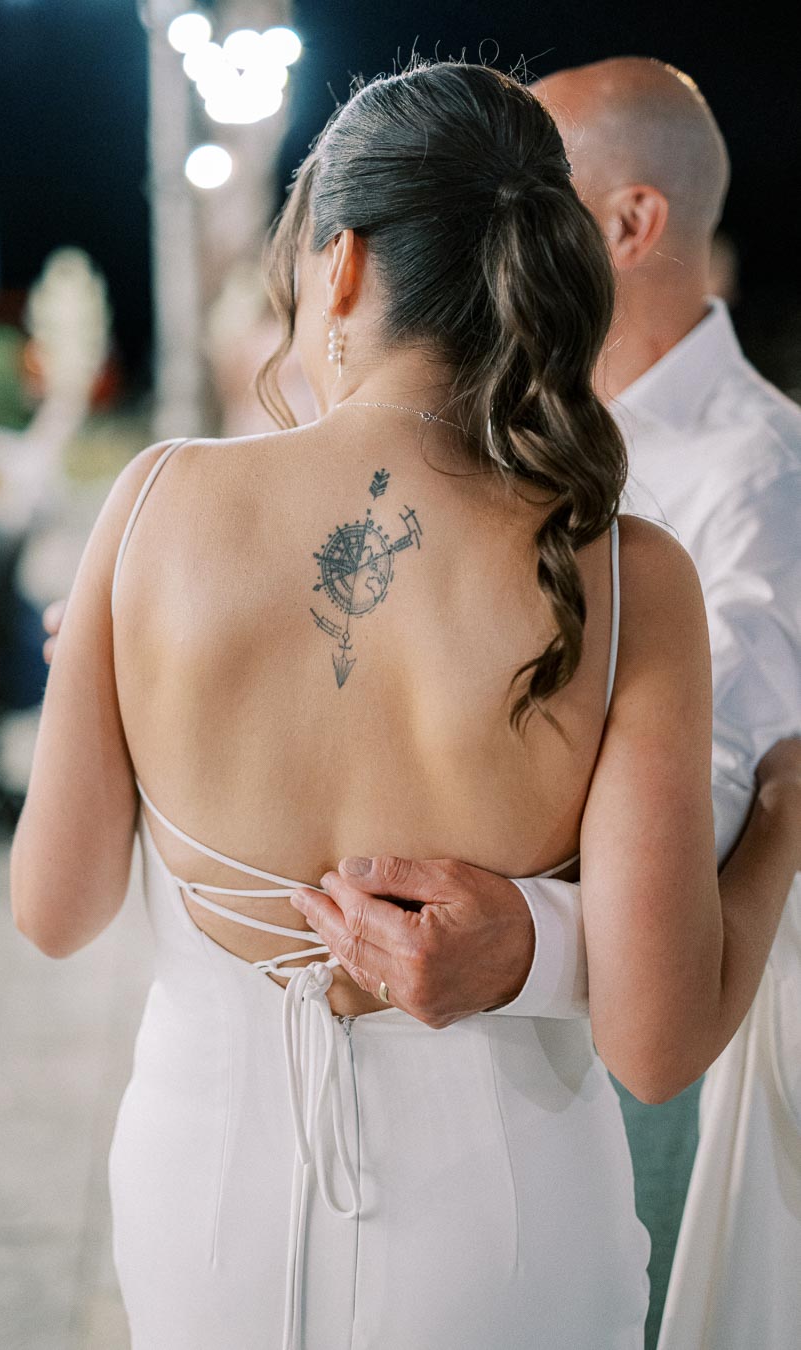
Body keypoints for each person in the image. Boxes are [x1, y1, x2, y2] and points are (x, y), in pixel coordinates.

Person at [12, 61, 801, 1350]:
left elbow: (57, 911)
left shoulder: (153, 504)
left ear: (341, 264)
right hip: (507, 1237)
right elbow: (659, 1048)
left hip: (205, 1213)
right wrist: (781, 814)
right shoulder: (630, 570)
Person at [290, 58, 801, 1350]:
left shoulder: (759, 476)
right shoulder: (504, 436)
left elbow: (736, 788)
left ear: (627, 226)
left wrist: (537, 938)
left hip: (653, 1048)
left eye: (536, 191)